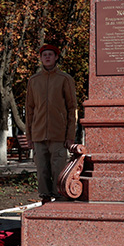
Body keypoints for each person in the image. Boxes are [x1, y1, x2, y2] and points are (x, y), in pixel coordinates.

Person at [25, 44, 77, 204]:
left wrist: (70, 136)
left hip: (59, 135)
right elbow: (29, 110)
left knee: (59, 170)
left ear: (55, 58)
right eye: (44, 55)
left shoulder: (65, 79)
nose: (47, 57)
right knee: (42, 171)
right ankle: (45, 200)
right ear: (41, 58)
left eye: (50, 55)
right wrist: (29, 136)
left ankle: (60, 199)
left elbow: (71, 108)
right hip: (39, 135)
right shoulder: (34, 81)